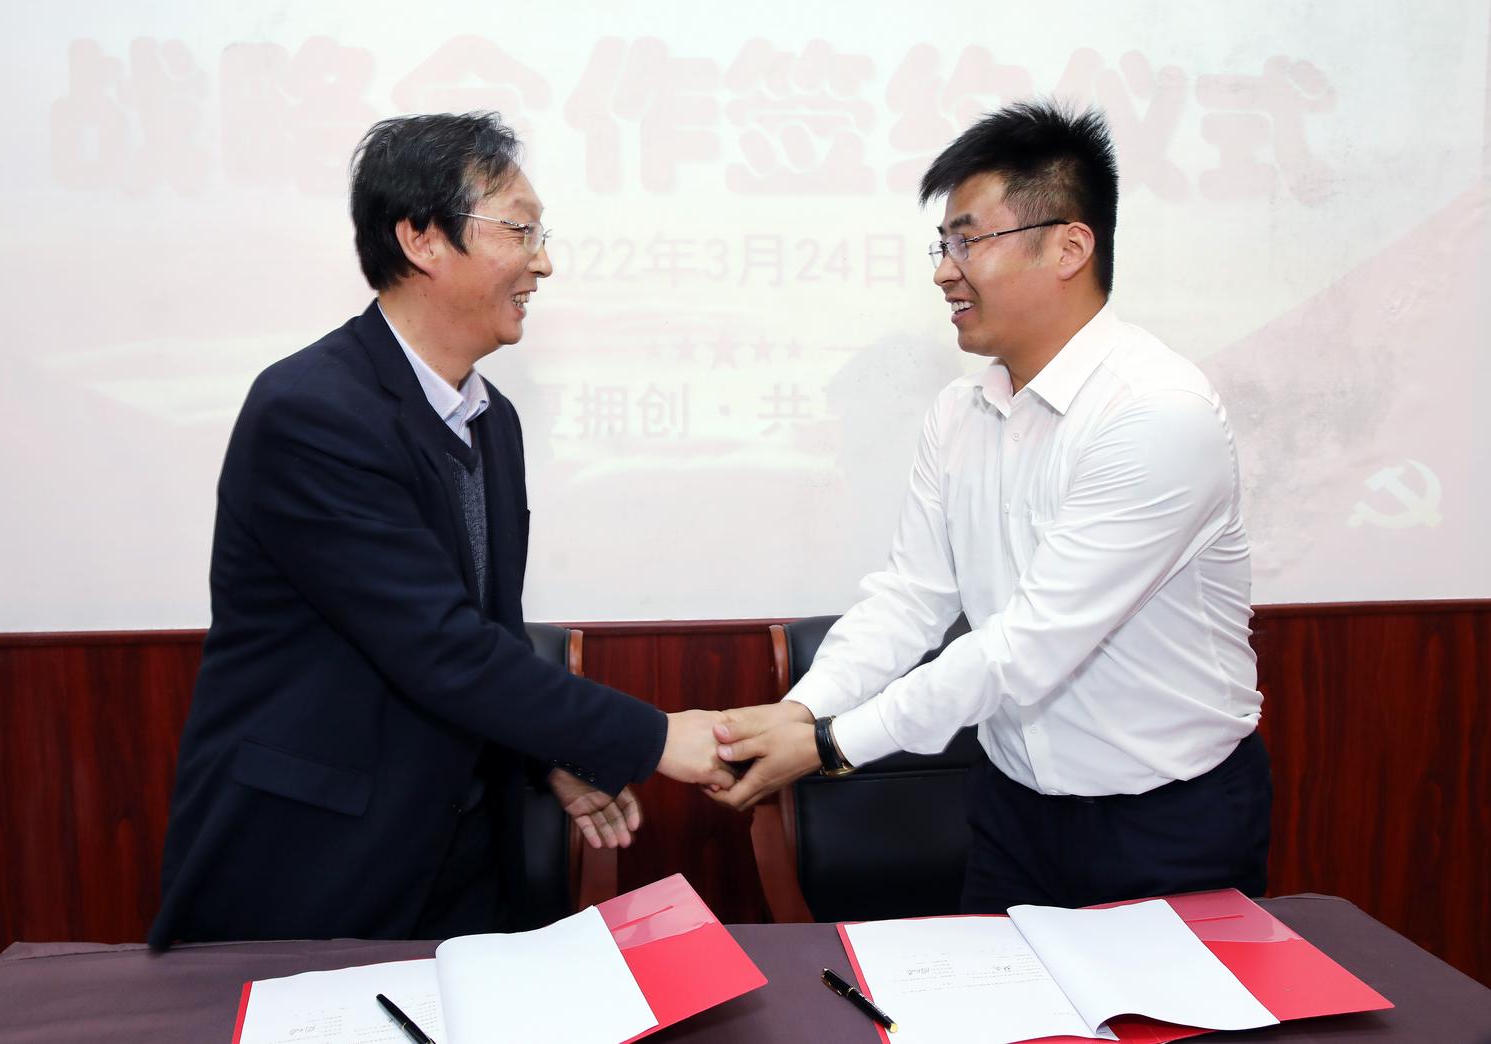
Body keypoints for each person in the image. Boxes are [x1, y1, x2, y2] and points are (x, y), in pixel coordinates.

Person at [149, 112, 734, 948]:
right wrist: (655, 738)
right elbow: (438, 646)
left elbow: (488, 630)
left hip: (461, 856)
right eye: (519, 231)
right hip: (316, 861)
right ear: (422, 238)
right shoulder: (312, 411)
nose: (542, 261)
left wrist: (546, 754)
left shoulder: (491, 421)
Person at [708, 102, 1271, 913]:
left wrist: (829, 744)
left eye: (968, 240)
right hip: (1011, 808)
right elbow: (910, 598)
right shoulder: (959, 412)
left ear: (1069, 247)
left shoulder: (1155, 413)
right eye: (943, 244)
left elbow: (1029, 645)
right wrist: (803, 708)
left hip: (1167, 820)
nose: (944, 271)